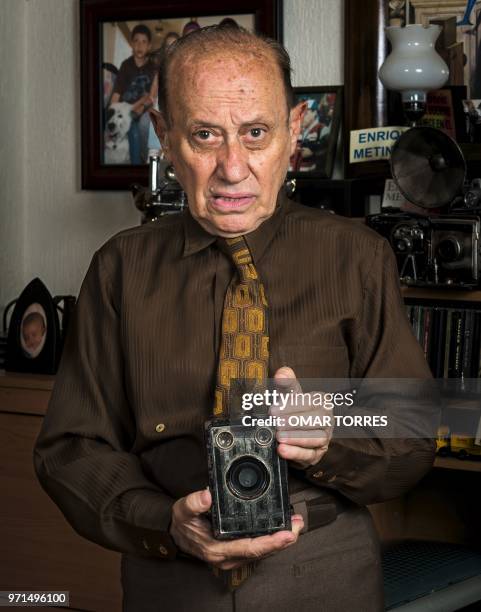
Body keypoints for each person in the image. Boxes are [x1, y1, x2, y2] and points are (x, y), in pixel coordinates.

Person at [34, 24, 436, 611]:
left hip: (326, 577)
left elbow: (413, 433)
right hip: (168, 579)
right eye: (204, 136)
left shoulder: (357, 257)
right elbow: (71, 447)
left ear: (293, 133)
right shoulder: (120, 268)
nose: (232, 167)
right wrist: (164, 522)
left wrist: (329, 440)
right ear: (166, 138)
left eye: (255, 134)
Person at [110, 24, 158, 164]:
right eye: (136, 41)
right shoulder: (126, 65)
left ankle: (143, 159)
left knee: (141, 127)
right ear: (131, 44)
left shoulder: (152, 67)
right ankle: (136, 164)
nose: (139, 46)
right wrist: (113, 111)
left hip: (143, 108)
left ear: (149, 46)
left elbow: (151, 97)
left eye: (144, 42)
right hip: (126, 109)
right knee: (131, 128)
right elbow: (117, 93)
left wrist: (140, 109)